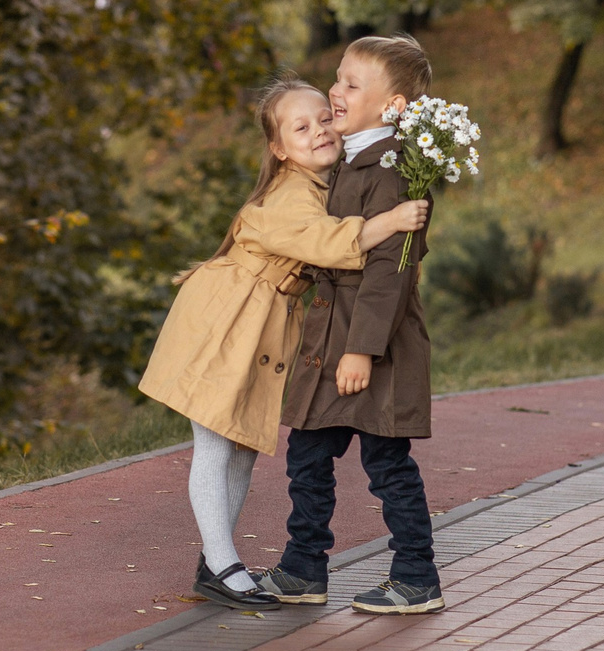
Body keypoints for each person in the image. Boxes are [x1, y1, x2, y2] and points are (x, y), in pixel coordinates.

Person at [137, 78, 428, 607]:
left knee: (242, 444)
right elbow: (327, 243)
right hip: (225, 316)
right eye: (301, 127)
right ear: (279, 149)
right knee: (216, 443)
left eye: (324, 119)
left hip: (263, 319)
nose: (318, 131)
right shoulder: (292, 192)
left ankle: (215, 556)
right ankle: (222, 565)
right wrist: (391, 219)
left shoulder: (330, 180)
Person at [264, 34, 444, 615]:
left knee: (386, 462)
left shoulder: (392, 171)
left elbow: (391, 271)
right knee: (308, 455)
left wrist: (363, 350)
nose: (335, 92)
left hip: (370, 343)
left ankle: (416, 576)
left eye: (349, 84)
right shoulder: (350, 157)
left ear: (392, 107)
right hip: (332, 338)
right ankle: (303, 567)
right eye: (338, 78)